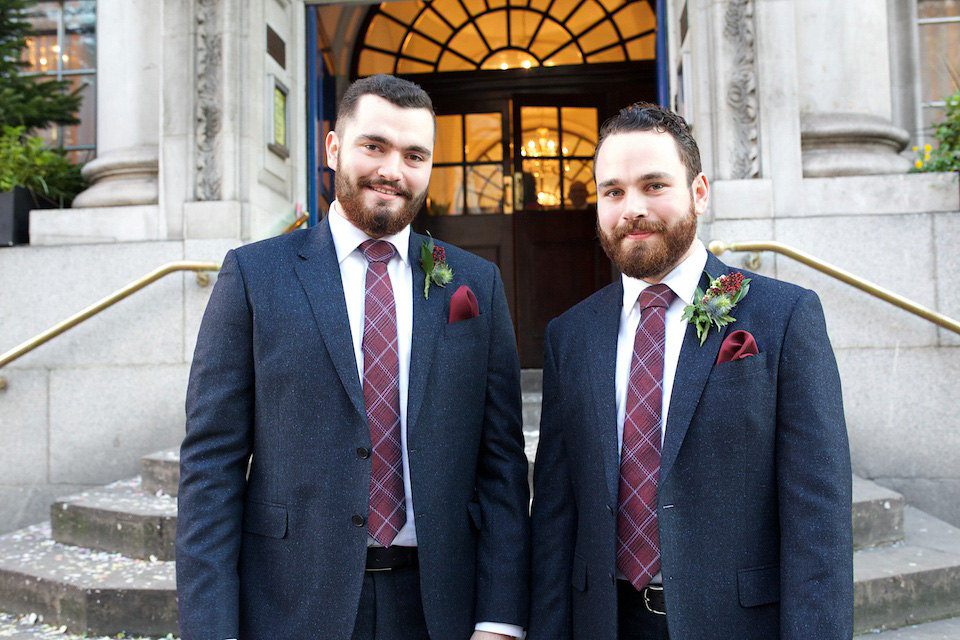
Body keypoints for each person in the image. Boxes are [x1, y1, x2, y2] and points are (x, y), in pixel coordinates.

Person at [176, 74, 530, 640]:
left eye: (414, 154)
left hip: (440, 608)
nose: (393, 169)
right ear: (334, 148)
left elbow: (502, 469)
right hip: (291, 606)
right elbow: (210, 470)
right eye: (374, 146)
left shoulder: (475, 284)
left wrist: (500, 618)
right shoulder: (253, 276)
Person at [528, 102, 853, 640]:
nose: (631, 208)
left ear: (699, 192)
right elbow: (557, 514)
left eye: (654, 185)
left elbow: (818, 511)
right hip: (604, 623)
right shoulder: (571, 335)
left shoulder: (782, 316)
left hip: (736, 623)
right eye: (612, 191)